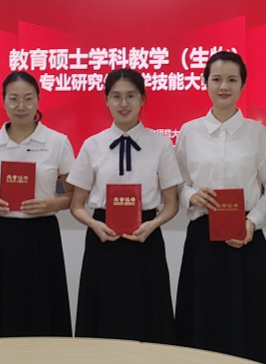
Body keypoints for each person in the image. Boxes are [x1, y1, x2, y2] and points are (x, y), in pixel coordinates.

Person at [174, 51, 266, 364]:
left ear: (242, 86)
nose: (224, 86)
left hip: (246, 238)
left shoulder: (257, 133)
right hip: (202, 239)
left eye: (232, 80)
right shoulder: (189, 132)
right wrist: (191, 196)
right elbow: (176, 184)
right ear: (205, 83)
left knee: (248, 320)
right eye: (217, 79)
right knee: (202, 318)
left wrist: (253, 221)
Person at [68, 68, 181, 342]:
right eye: (116, 96)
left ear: (142, 99)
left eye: (131, 96)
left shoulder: (161, 145)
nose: (123, 103)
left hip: (145, 238)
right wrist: (94, 224)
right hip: (103, 240)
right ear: (106, 100)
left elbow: (171, 204)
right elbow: (77, 205)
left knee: (148, 317)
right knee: (103, 316)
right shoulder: (92, 145)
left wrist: (152, 225)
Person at [0, 71, 75, 337]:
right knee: (1, 309)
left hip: (42, 234)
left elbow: (74, 197)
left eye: (28, 99)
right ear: (4, 101)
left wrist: (51, 205)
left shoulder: (57, 142)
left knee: (43, 307)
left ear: (38, 100)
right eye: (13, 99)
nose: (21, 106)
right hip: (3, 235)